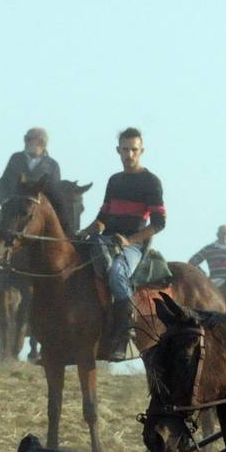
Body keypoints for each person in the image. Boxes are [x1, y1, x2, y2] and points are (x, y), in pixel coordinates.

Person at [88, 127, 166, 361]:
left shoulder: (150, 182)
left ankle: (126, 333)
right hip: (108, 239)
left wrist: (130, 241)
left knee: (117, 273)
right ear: (118, 150)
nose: (129, 154)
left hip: (134, 245)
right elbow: (103, 217)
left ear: (141, 151)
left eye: (134, 149)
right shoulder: (114, 180)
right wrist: (83, 232)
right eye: (125, 149)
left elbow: (159, 223)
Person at [0, 127, 62, 205]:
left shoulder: (52, 165)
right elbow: (4, 183)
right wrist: (5, 201)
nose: (25, 142)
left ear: (41, 142)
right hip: (14, 207)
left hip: (39, 210)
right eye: (25, 139)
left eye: (28, 139)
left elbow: (55, 192)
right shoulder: (16, 158)